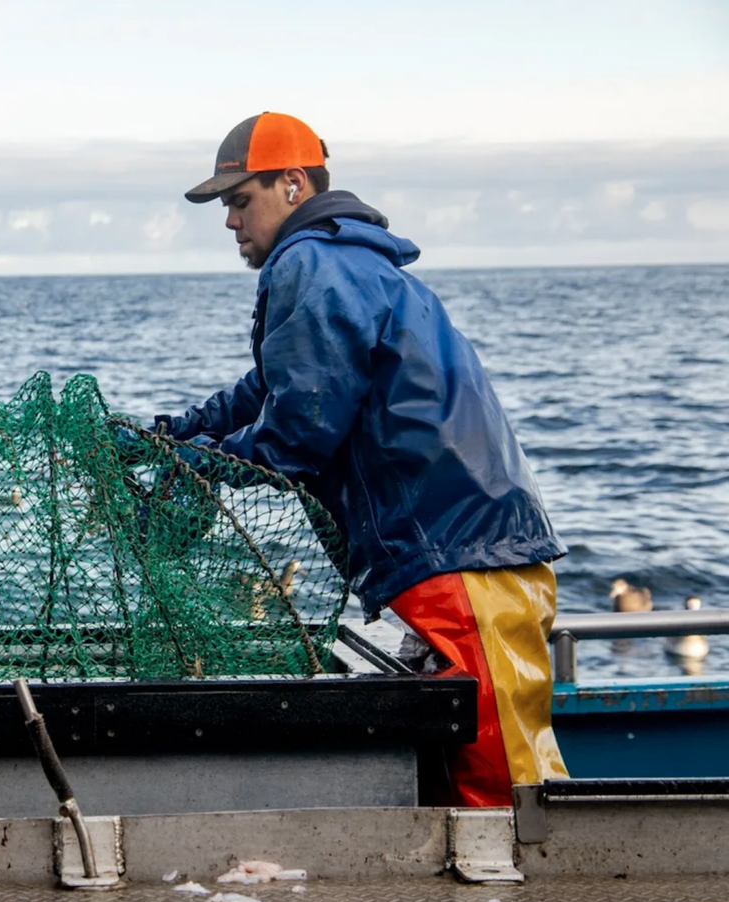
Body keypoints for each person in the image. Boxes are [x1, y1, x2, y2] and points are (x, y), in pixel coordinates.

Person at [154, 112, 569, 806]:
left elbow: (301, 426)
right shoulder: (351, 264)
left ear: (292, 185)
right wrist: (191, 428)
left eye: (239, 198)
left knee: (499, 790)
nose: (230, 220)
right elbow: (271, 384)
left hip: (458, 563)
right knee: (504, 761)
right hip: (477, 554)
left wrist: (207, 466)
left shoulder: (309, 262)